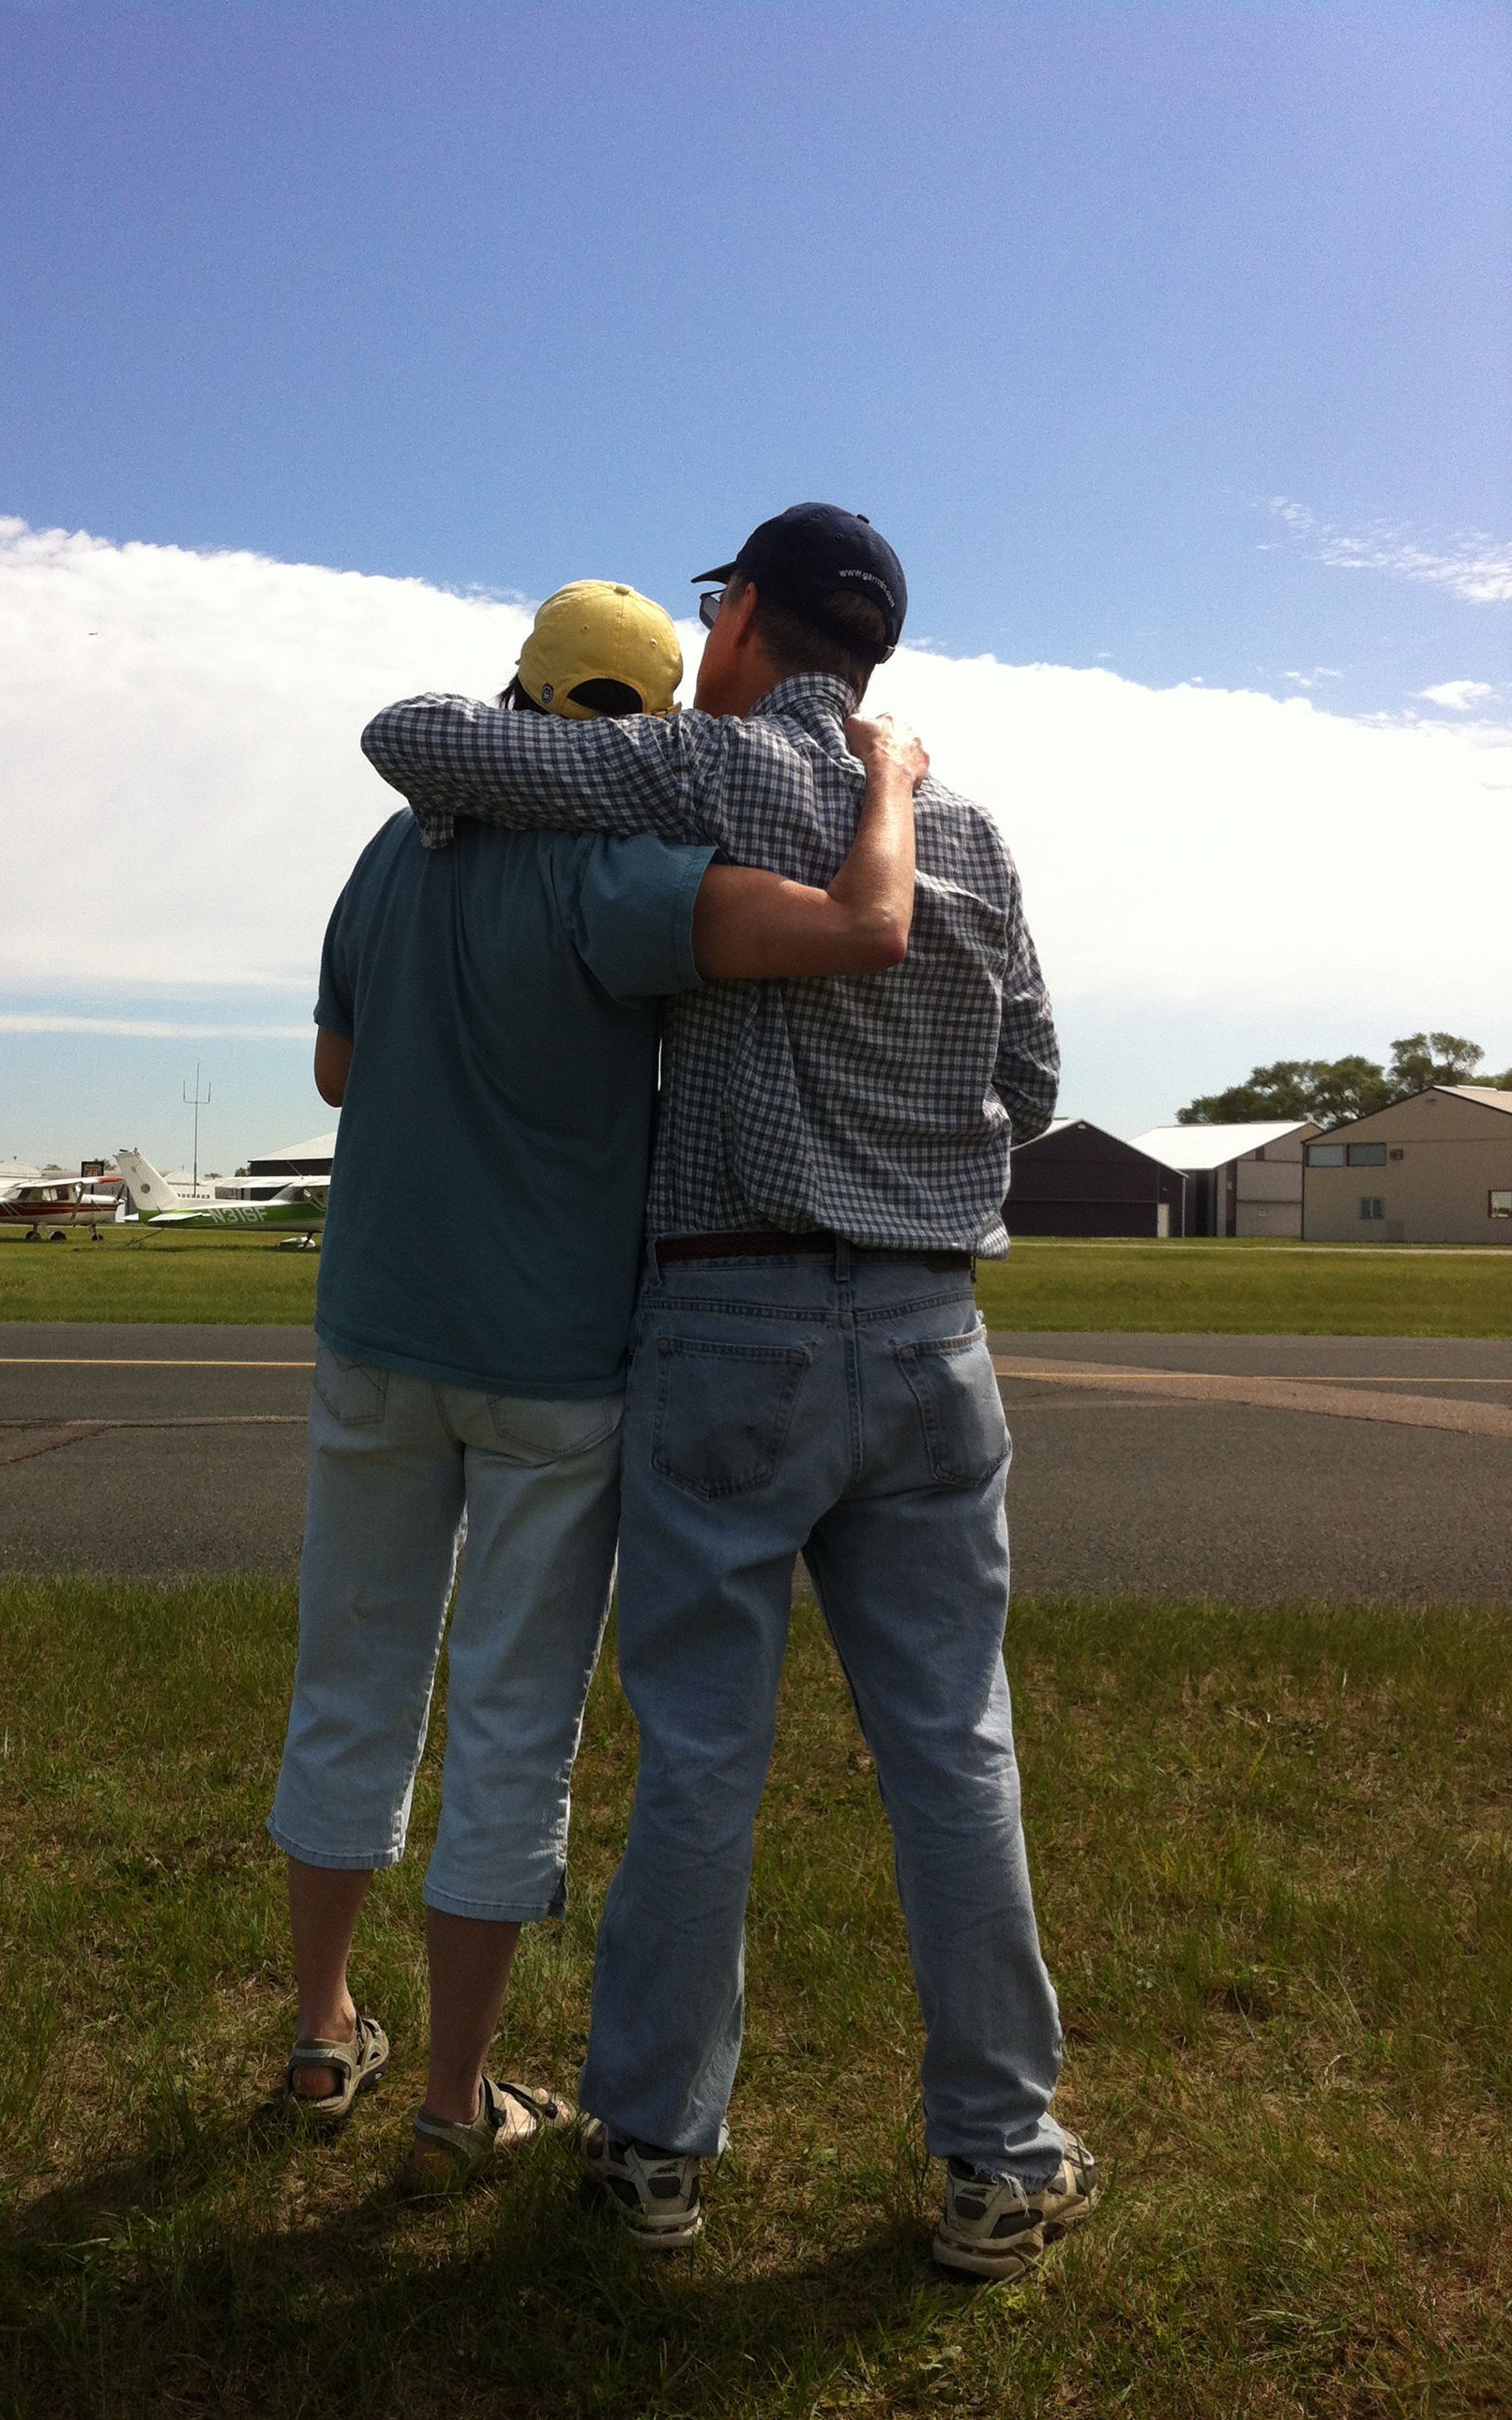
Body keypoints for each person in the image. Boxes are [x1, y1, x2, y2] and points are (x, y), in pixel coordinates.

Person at [362, 505, 1097, 2278]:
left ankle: (656, 2148)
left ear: (745, 614)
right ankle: (1002, 2150)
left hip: (726, 1317)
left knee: (703, 1754)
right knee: (957, 1750)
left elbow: (406, 742)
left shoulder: (690, 773)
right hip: (934, 1338)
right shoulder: (969, 833)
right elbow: (1041, 1081)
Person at [269, 577, 924, 2194]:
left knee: (350, 1683)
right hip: (557, 1361)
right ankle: (453, 2093)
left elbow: (339, 1068)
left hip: (376, 1333)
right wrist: (892, 785)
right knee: (513, 1722)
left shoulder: (393, 847)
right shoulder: (626, 874)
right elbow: (849, 931)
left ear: (522, 689)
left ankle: (316, 2028)